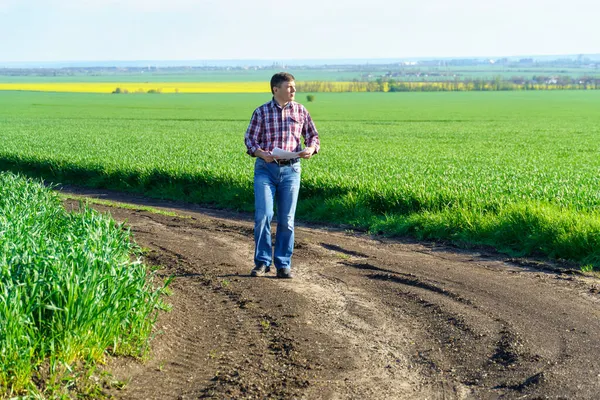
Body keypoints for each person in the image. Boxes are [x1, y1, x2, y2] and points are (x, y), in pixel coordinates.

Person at [244, 72, 320, 279]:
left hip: (291, 170)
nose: (294, 90)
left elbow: (313, 136)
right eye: (289, 87)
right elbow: (250, 140)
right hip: (265, 170)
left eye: (294, 87)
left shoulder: (301, 111)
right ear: (275, 89)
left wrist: (311, 149)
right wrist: (261, 153)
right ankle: (261, 263)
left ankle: (283, 264)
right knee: (263, 216)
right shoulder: (261, 112)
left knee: (287, 220)